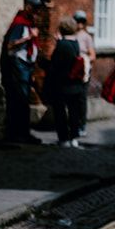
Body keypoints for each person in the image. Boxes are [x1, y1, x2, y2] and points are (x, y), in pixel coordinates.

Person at [0, 0, 43, 144]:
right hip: (19, 66)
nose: (38, 13)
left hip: (27, 66)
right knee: (21, 99)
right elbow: (11, 45)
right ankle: (19, 133)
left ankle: (22, 132)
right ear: (29, 7)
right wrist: (29, 38)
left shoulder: (28, 23)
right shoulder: (20, 24)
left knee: (24, 100)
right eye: (36, 9)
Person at [44, 19, 91, 147]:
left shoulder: (62, 45)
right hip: (75, 84)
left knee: (60, 112)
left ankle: (64, 138)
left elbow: (56, 64)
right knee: (74, 112)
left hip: (62, 84)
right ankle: (74, 138)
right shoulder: (75, 43)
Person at [71, 10, 95, 138]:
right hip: (72, 71)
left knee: (81, 99)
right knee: (73, 98)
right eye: (77, 21)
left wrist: (82, 59)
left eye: (81, 21)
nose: (79, 24)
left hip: (83, 72)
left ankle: (82, 125)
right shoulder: (71, 35)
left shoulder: (86, 37)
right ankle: (74, 124)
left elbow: (92, 55)